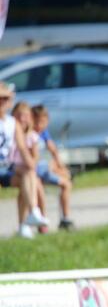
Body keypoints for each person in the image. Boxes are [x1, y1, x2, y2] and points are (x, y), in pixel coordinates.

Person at [0, 84, 48, 237]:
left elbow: (21, 146)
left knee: (28, 175)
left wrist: (31, 164)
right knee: (28, 177)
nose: (2, 102)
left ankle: (29, 218)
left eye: (5, 98)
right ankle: (32, 215)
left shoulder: (11, 123)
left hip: (6, 166)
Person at [10, 101, 50, 237]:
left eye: (25, 115)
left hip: (27, 170)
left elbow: (35, 157)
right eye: (18, 115)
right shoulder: (11, 132)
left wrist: (30, 164)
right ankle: (35, 212)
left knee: (29, 184)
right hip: (14, 169)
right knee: (32, 179)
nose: (22, 119)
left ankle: (25, 224)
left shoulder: (32, 136)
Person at [31, 104, 74, 230]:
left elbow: (53, 149)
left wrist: (59, 164)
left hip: (45, 169)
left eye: (42, 122)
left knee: (66, 183)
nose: (39, 125)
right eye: (36, 122)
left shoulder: (43, 133)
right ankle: (42, 223)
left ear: (47, 122)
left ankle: (65, 219)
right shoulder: (29, 135)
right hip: (35, 171)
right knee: (39, 192)